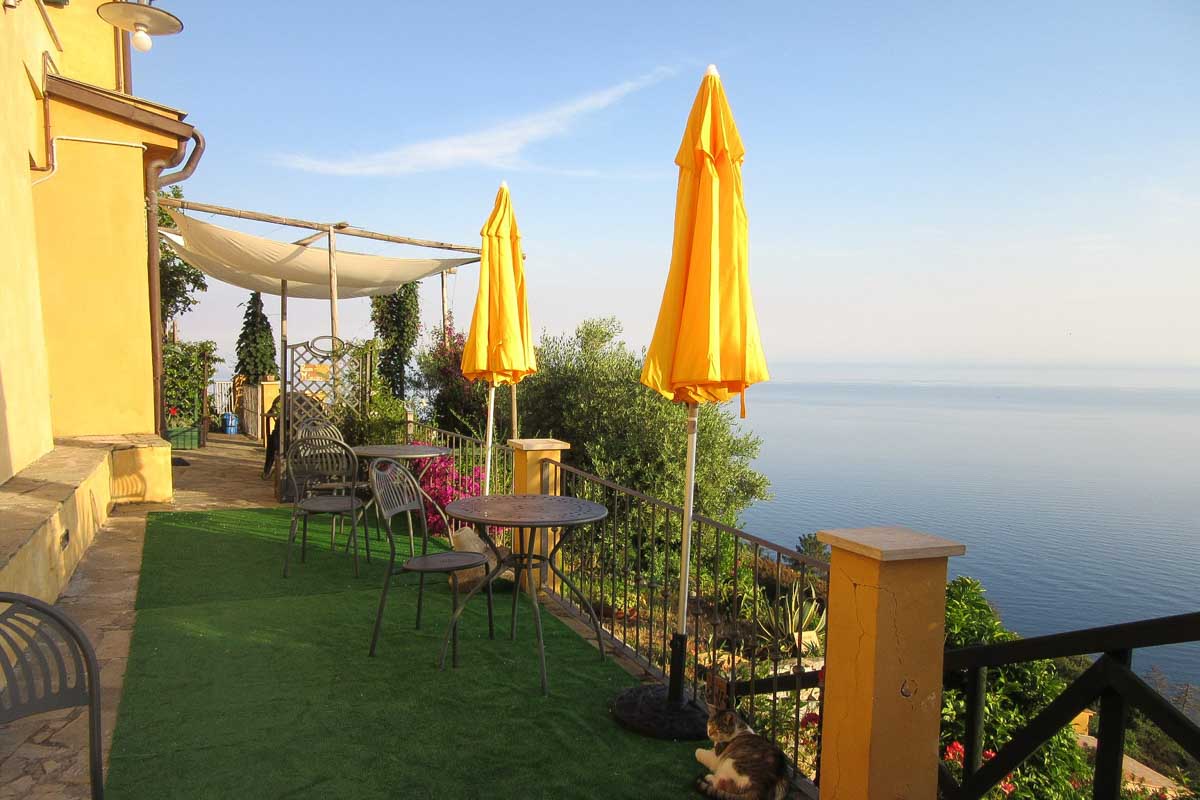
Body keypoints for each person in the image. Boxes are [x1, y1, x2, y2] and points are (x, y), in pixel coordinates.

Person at [262, 395, 282, 479]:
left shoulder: (279, 401)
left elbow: (271, 412)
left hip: (282, 443)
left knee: (272, 440)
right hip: (300, 441)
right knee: (275, 435)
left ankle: (267, 470)